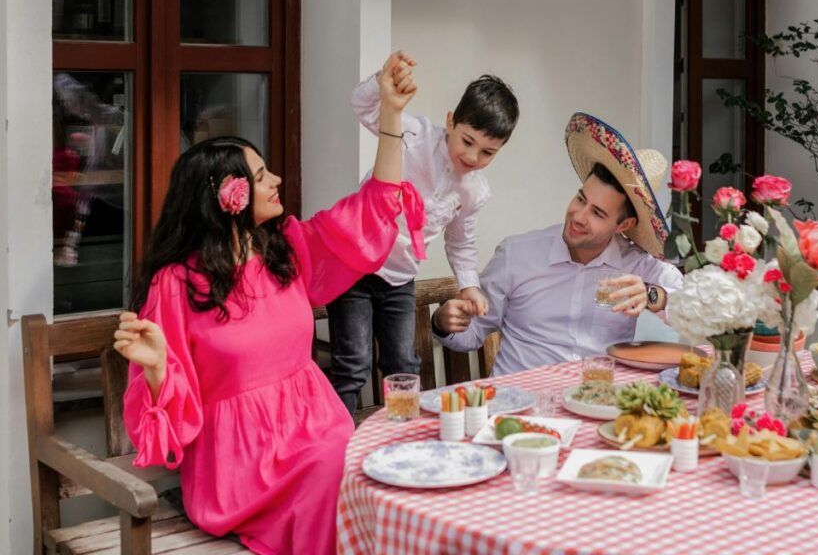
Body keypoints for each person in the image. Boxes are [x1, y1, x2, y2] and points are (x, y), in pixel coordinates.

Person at [113, 54, 422, 555]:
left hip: (317, 432)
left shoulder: (286, 249)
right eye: (261, 175)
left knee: (375, 470)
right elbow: (171, 413)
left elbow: (370, 210)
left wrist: (391, 115)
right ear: (227, 197)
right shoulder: (176, 284)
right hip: (240, 466)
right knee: (338, 472)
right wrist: (153, 368)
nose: (276, 179)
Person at [327, 58, 519, 413]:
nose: (473, 156)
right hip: (353, 268)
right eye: (467, 141)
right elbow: (362, 105)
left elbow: (461, 241)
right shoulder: (414, 134)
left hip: (400, 280)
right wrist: (382, 82)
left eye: (488, 152)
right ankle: (336, 442)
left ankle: (404, 437)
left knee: (403, 363)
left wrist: (469, 286)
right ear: (450, 121)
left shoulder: (474, 191)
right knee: (353, 363)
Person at [432, 112, 683, 375]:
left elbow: (695, 305)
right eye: (580, 199)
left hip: (597, 401)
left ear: (623, 225)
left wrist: (653, 295)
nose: (578, 216)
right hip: (520, 404)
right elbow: (472, 334)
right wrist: (442, 322)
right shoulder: (516, 255)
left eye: (597, 213)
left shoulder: (637, 264)